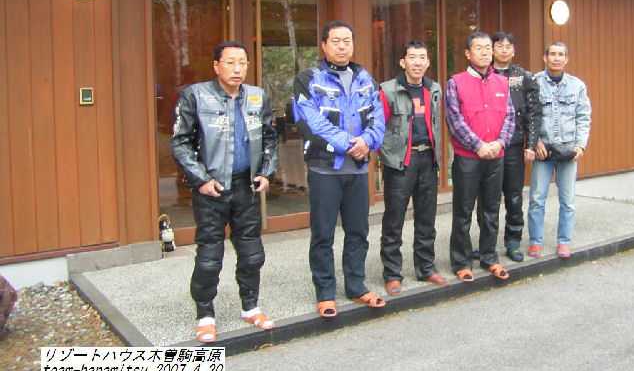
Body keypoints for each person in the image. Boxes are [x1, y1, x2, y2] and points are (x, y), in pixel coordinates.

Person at [170, 41, 278, 343]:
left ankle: (250, 306)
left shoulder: (257, 96)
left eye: (242, 62)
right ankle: (205, 314)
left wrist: (266, 172)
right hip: (212, 190)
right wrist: (201, 179)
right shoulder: (195, 95)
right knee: (209, 256)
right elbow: (180, 141)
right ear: (216, 66)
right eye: (230, 62)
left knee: (252, 253)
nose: (237, 68)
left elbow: (270, 137)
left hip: (246, 187)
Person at [292, 21, 386, 318]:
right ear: (324, 45)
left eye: (347, 40)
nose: (342, 46)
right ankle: (325, 293)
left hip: (357, 171)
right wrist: (349, 144)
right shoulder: (308, 79)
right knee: (323, 235)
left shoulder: (365, 78)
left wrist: (368, 142)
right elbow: (310, 122)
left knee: (358, 231)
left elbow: (378, 116)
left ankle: (356, 286)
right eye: (336, 41)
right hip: (324, 170)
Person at [378, 41, 449, 296]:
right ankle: (392, 274)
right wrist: (387, 156)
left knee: (427, 218)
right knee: (394, 220)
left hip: (428, 159)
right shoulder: (388, 90)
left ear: (428, 63)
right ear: (403, 62)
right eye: (412, 57)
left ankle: (426, 267)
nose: (417, 62)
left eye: (422, 58)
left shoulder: (434, 89)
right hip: (401, 162)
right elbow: (378, 127)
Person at [445, 31, 515, 282]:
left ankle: (489, 257)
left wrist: (499, 142)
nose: (485, 52)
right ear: (468, 53)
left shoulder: (503, 83)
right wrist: (478, 146)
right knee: (463, 211)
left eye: (488, 48)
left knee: (491, 210)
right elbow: (455, 120)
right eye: (479, 48)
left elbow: (510, 117)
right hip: (468, 158)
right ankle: (461, 261)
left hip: (496, 156)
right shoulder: (456, 82)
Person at [527, 42, 592, 259]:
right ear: (544, 58)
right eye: (552, 54)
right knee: (537, 199)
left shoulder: (577, 86)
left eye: (560, 54)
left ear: (566, 59)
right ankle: (535, 242)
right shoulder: (534, 83)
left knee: (568, 201)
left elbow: (583, 117)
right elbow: (528, 116)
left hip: (568, 151)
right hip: (543, 151)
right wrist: (535, 142)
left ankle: (564, 242)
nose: (556, 58)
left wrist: (580, 145)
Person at [488, 32, 541, 262]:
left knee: (514, 196)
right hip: (489, 145)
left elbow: (534, 112)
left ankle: (513, 241)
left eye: (508, 46)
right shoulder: (485, 74)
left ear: (514, 50)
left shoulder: (523, 77)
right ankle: (487, 244)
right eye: (499, 46)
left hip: (514, 145)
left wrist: (531, 143)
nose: (504, 50)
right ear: (492, 49)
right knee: (488, 198)